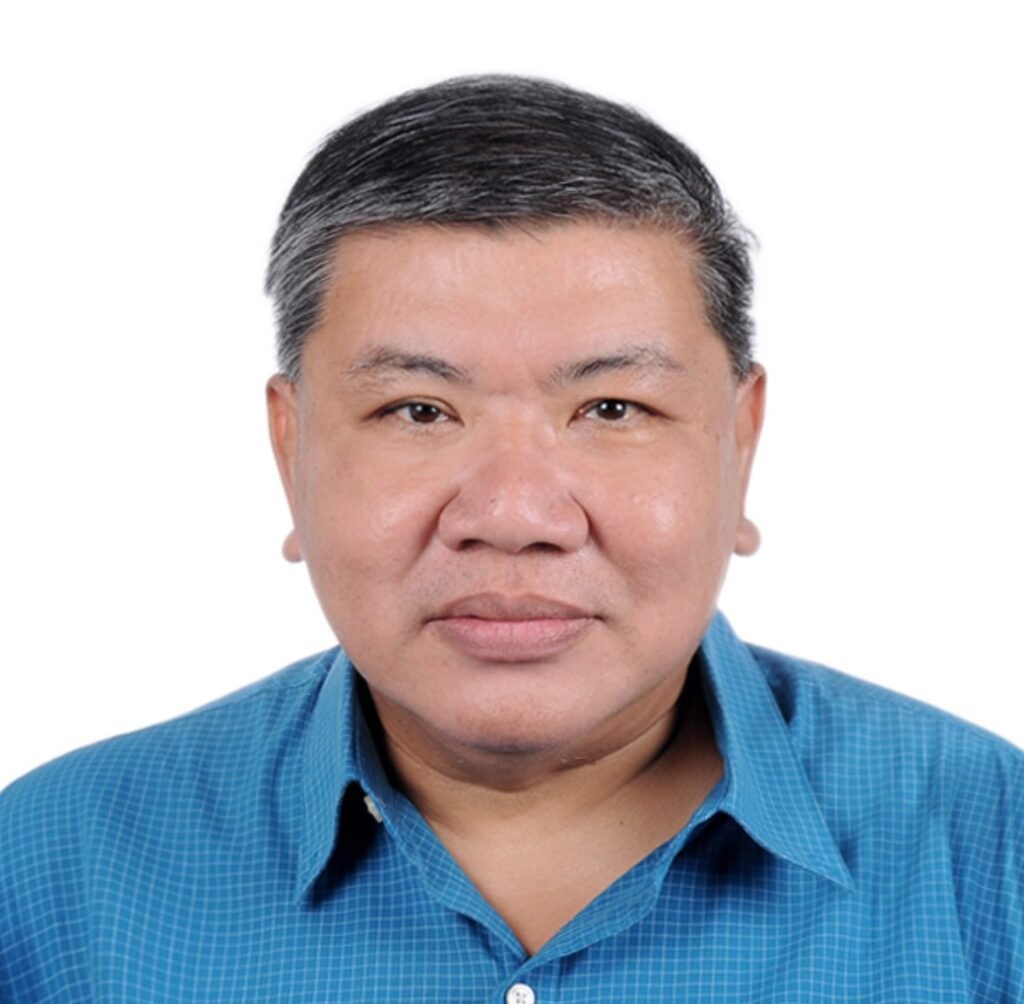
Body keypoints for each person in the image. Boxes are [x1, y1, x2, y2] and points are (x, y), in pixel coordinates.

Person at [1, 75, 1021, 1002]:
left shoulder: (992, 849)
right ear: (291, 446)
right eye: (417, 410)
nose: (514, 516)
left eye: (612, 408)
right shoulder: (53, 871)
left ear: (738, 444)